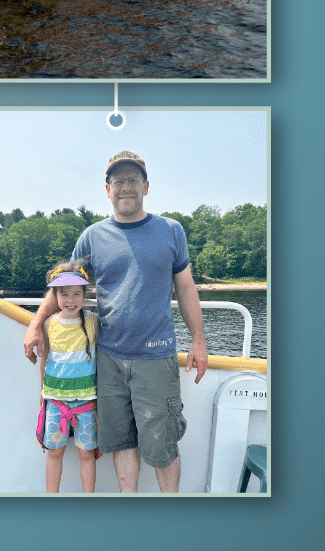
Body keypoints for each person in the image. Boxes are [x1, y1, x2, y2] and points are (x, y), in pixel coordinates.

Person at [23, 150, 208, 493]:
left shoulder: (171, 230)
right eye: (118, 180)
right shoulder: (92, 237)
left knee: (163, 446)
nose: (126, 187)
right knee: (122, 442)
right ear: (107, 189)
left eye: (133, 180)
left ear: (146, 186)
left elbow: (185, 287)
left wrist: (198, 340)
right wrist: (36, 325)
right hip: (106, 359)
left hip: (155, 357)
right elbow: (65, 284)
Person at [36, 262, 99, 493]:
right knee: (55, 452)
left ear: (84, 295)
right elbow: (45, 361)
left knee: (86, 453)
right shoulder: (48, 324)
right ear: (55, 296)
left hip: (86, 402)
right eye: (64, 294)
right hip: (55, 401)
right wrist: (41, 395)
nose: (70, 300)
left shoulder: (93, 322)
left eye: (76, 294)